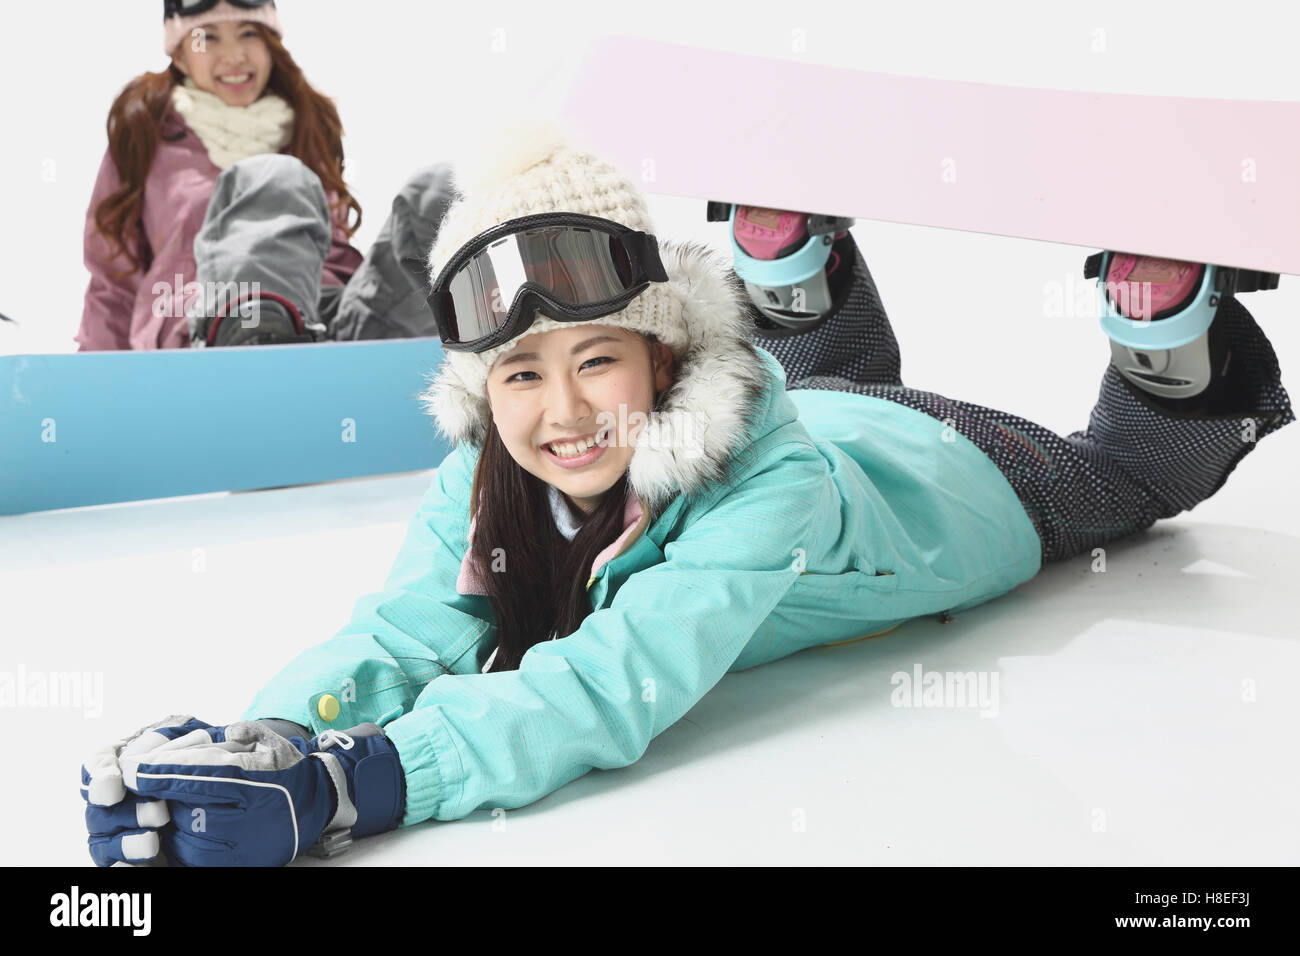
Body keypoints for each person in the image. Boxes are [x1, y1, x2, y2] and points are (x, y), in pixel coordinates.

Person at [79, 126, 1294, 867]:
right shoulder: (489, 467)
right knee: (823, 372)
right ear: (480, 384)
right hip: (823, 403)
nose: (560, 413)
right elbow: (403, 632)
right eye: (520, 372)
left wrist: (364, 780)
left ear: (663, 357)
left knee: (1130, 478)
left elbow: (611, 681)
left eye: (597, 359)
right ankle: (787, 260)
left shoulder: (763, 484)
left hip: (962, 473)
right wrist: (270, 735)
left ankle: (1164, 326)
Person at [76, 0, 451, 351]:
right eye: (207, 38)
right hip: (202, 322)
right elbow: (114, 283)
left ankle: (480, 360)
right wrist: (88, 393)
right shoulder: (145, 136)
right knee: (275, 176)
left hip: (329, 326)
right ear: (181, 56)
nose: (234, 56)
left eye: (248, 33)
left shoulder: (305, 128)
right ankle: (255, 340)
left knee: (439, 191)